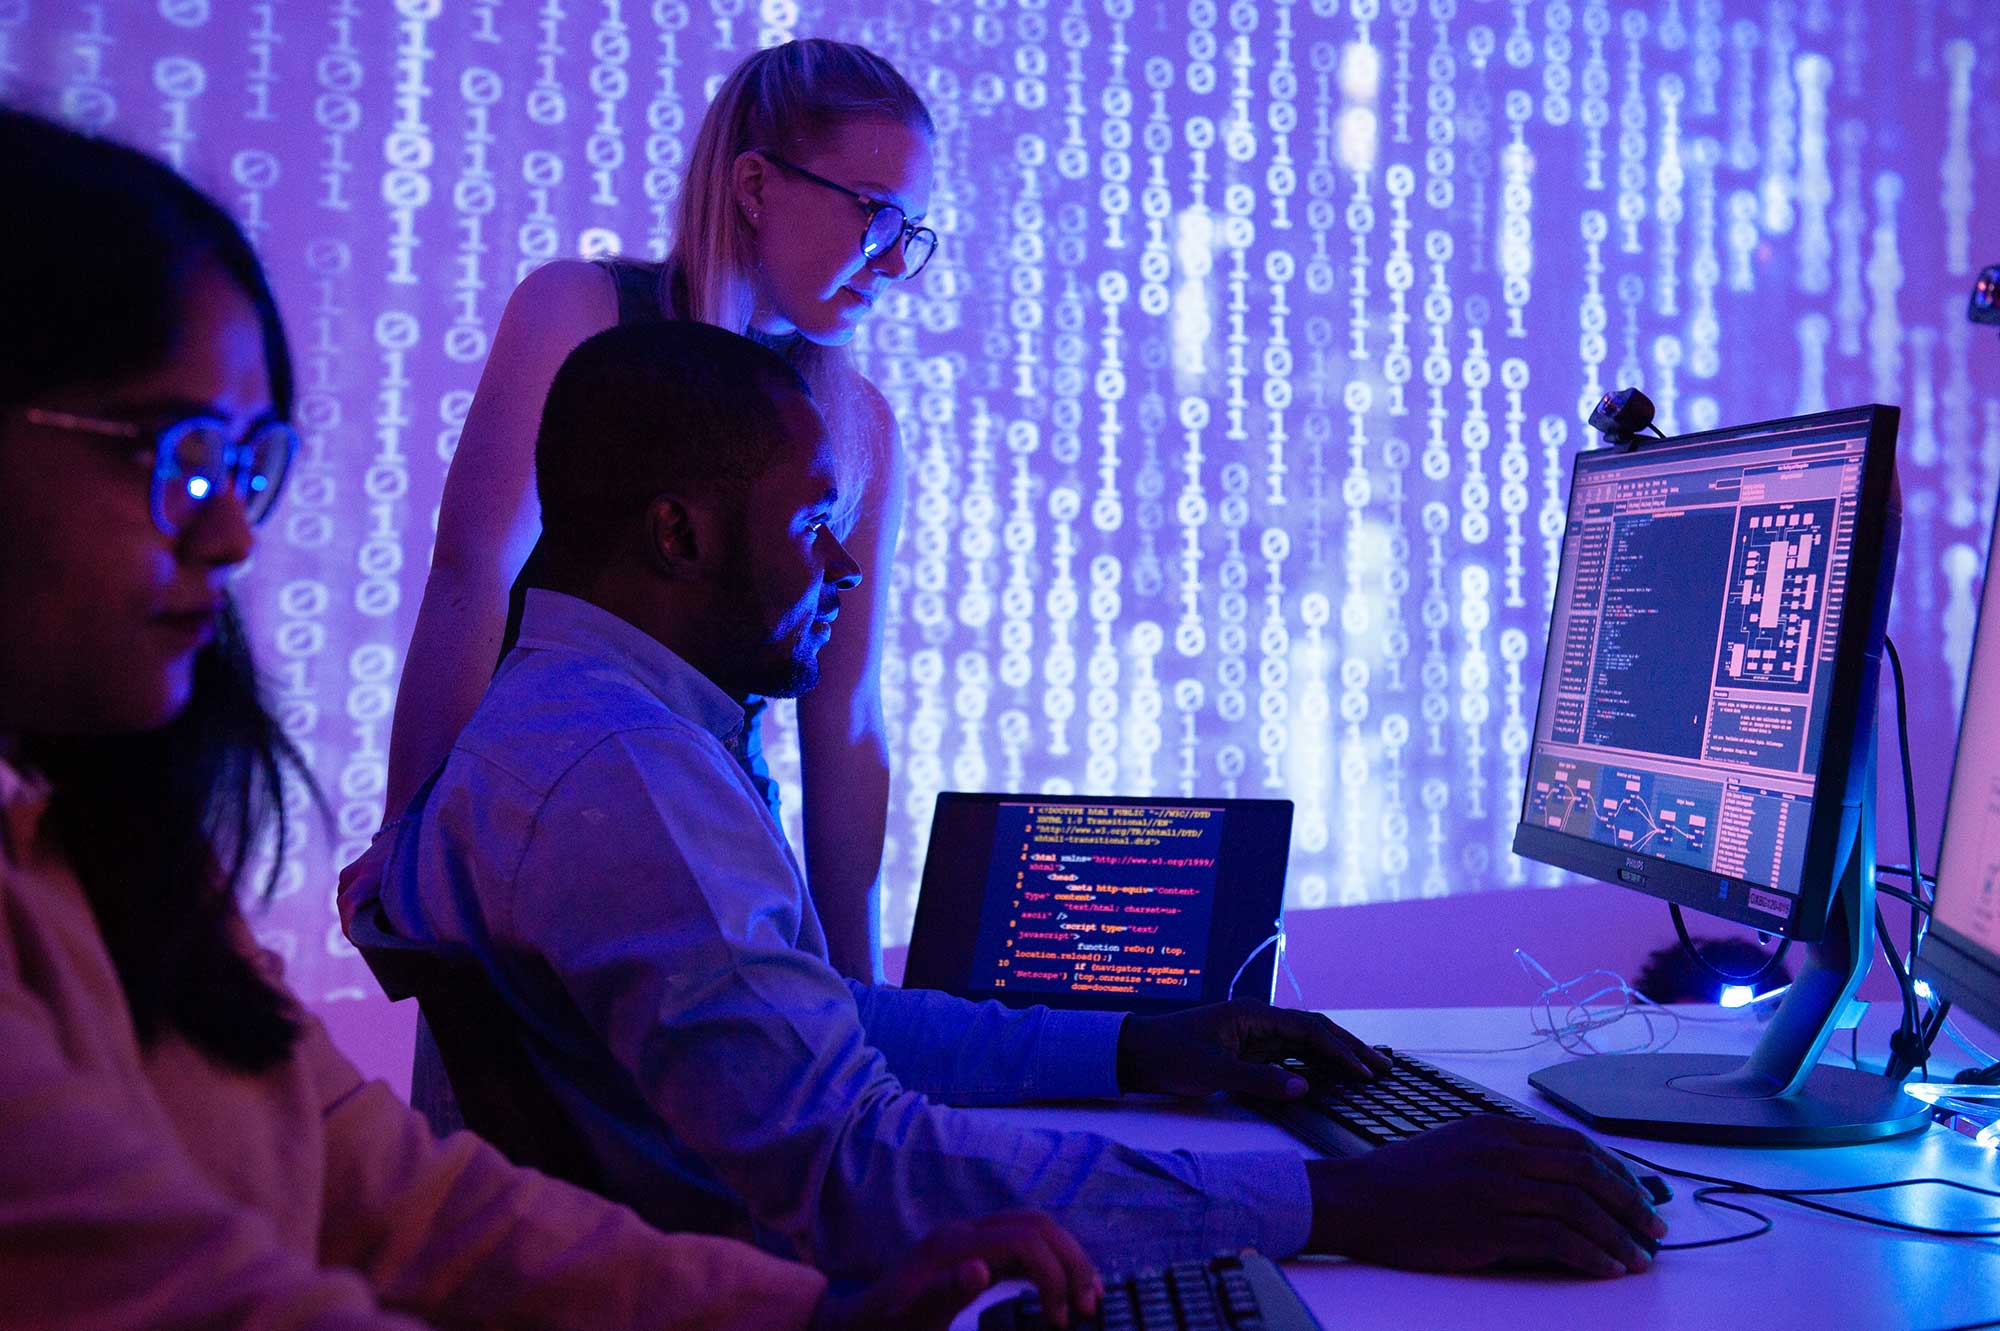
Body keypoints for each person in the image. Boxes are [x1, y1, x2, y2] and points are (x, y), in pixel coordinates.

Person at [0, 107, 1103, 1331]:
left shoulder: (114, 858)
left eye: (251, 468)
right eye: (182, 457)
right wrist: (419, 827)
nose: (232, 535)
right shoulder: (610, 752)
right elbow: (472, 565)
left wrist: (805, 1309)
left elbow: (397, 1199)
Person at [348, 316, 1672, 1286]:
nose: (847, 567)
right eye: (813, 520)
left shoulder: (582, 724)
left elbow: (807, 1030)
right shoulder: (623, 779)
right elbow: (857, 1173)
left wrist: (1126, 1049)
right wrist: (1341, 1195)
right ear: (680, 532)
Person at [384, 37, 928, 982]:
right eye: (877, 218)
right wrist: (413, 871)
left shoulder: (863, 424)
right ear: (755, 183)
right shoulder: (578, 310)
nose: (890, 266)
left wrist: (859, 995)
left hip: (719, 871)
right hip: (535, 859)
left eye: (911, 237)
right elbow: (469, 579)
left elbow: (846, 716)